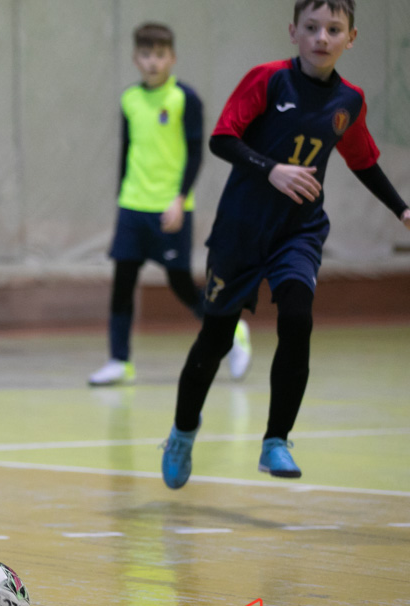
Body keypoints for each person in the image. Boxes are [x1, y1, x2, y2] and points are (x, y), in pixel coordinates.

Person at [160, 0, 410, 489]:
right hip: (241, 229)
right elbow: (222, 139)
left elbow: (363, 161)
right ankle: (182, 433)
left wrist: (401, 210)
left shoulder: (349, 101)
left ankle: (276, 440)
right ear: (293, 32)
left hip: (298, 230)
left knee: (297, 320)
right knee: (215, 340)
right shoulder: (269, 80)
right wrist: (272, 170)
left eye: (334, 29)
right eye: (312, 27)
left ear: (351, 38)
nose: (322, 37)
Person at [89, 22, 252, 387]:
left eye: (160, 55)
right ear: (136, 58)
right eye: (146, 54)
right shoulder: (129, 99)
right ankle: (119, 361)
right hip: (133, 205)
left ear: (172, 58)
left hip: (170, 207)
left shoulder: (185, 99)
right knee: (122, 283)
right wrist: (122, 200)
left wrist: (179, 200)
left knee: (180, 284)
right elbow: (127, 151)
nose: (153, 62)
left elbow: (195, 154)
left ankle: (232, 330)